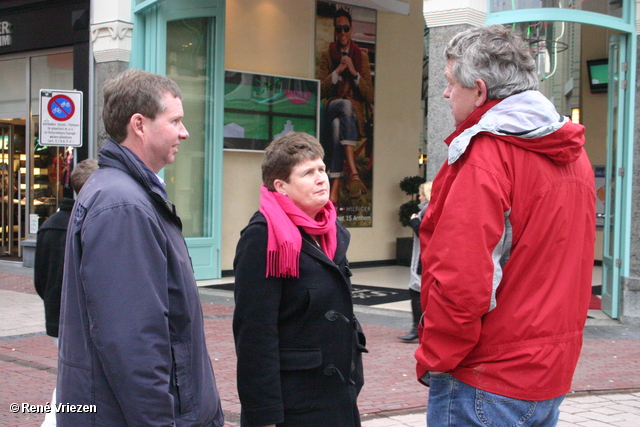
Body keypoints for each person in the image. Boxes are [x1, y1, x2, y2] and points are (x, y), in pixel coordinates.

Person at [415, 25, 595, 426]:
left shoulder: (487, 157)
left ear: (479, 91)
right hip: (548, 374)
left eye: (449, 83)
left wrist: (436, 357)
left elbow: (461, 282)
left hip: (485, 376)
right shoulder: (572, 154)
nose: (445, 94)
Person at [56, 68, 224, 427]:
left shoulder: (126, 194)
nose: (185, 132)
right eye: (175, 120)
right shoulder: (123, 205)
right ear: (140, 124)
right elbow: (133, 342)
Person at [233, 131, 367, 427]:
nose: (321, 177)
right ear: (281, 186)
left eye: (321, 168)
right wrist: (263, 416)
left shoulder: (330, 231)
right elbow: (255, 335)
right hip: (296, 405)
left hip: (338, 396)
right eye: (308, 172)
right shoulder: (262, 238)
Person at [34, 158, 98, 427]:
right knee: (78, 382)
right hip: (81, 321)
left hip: (55, 318)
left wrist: (51, 299)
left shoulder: (50, 225)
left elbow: (40, 278)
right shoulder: (90, 223)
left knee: (72, 376)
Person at [317, 7, 374, 203]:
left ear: (351, 30)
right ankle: (353, 171)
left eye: (345, 29)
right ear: (335, 31)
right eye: (338, 29)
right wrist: (338, 71)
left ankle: (334, 189)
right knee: (344, 106)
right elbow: (319, 90)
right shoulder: (327, 54)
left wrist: (354, 72)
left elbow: (369, 94)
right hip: (332, 105)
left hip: (351, 118)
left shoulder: (361, 57)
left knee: (336, 128)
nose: (342, 33)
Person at [398, 181, 431, 343]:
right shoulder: (423, 212)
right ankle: (417, 328)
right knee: (415, 291)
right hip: (420, 259)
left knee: (417, 292)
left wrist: (415, 223)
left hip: (424, 260)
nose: (419, 197)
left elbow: (427, 236)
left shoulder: (430, 213)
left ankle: (419, 328)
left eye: (422, 194)